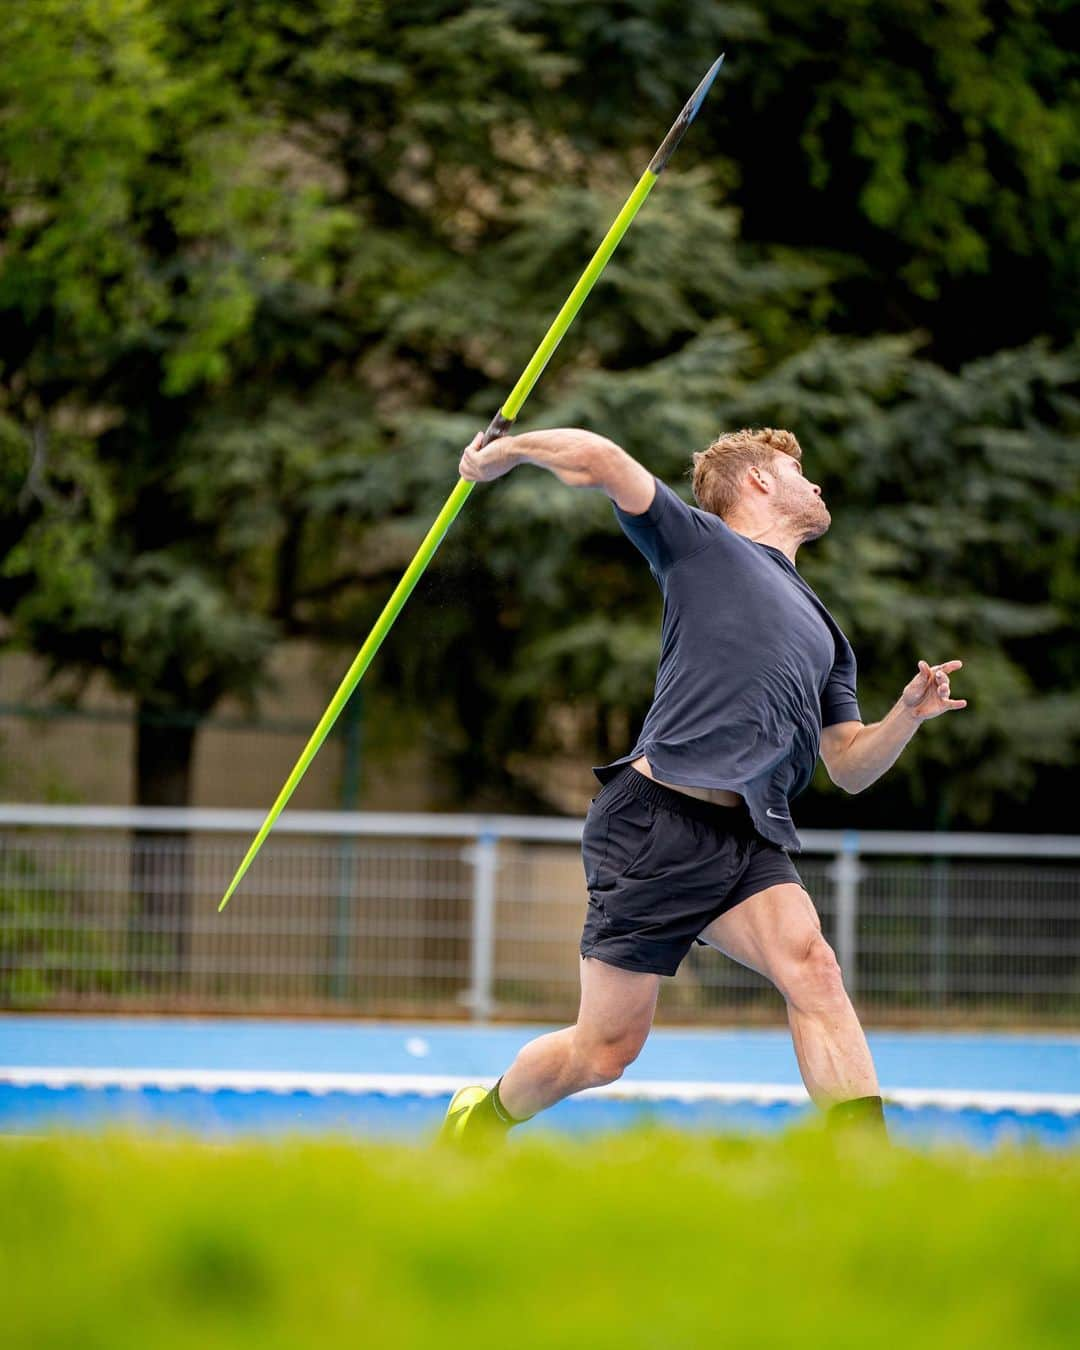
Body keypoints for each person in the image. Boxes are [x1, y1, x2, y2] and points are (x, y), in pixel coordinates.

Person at [441, 425, 966, 1142]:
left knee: (813, 968)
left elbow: (846, 764)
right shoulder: (698, 546)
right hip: (656, 822)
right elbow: (601, 459)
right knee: (603, 1053)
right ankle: (485, 1114)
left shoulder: (826, 632)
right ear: (756, 481)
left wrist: (906, 715)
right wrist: (500, 455)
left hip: (747, 834)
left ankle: (866, 1168)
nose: (816, 485)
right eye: (796, 470)